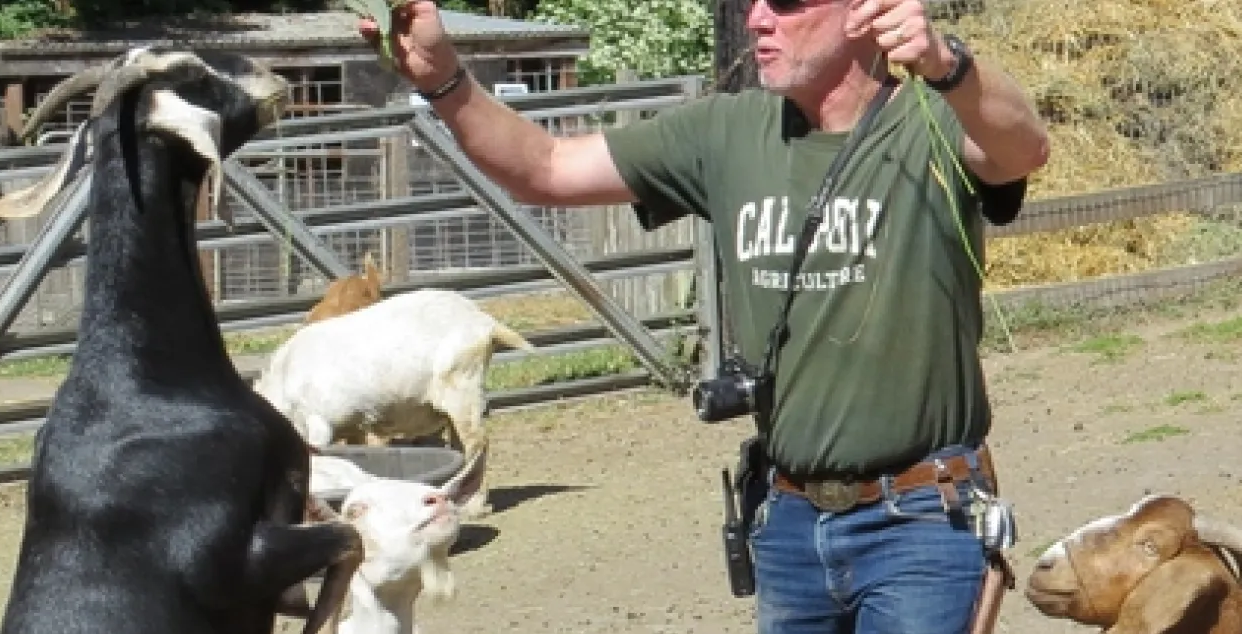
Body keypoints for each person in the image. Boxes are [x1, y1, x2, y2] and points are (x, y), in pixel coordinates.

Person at [359, 0, 1049, 631]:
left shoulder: (931, 120)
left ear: (862, 12)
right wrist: (445, 79)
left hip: (921, 522)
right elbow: (546, 167)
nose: (755, 20)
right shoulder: (727, 131)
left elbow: (1024, 148)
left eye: (783, 4)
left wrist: (948, 64)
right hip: (789, 523)